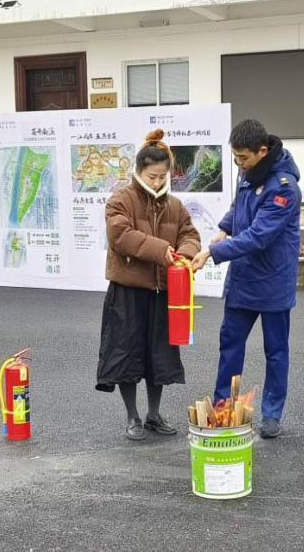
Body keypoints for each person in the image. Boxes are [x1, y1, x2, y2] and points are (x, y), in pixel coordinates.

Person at [191, 119, 301, 439]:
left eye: (244, 158)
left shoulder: (284, 188)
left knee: (276, 350)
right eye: (235, 158)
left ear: (262, 151)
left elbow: (258, 236)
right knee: (230, 344)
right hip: (243, 279)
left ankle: (272, 413)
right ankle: (224, 406)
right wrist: (224, 227)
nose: (238, 164)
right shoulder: (248, 172)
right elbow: (239, 207)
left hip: (273, 281)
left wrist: (213, 253)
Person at [96, 129, 201, 440]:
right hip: (127, 291)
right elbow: (120, 236)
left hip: (162, 292)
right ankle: (132, 417)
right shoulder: (121, 200)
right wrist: (162, 251)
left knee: (159, 357)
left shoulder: (175, 205)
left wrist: (184, 254)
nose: (157, 182)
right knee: (127, 354)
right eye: (152, 176)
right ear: (139, 171)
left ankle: (154, 414)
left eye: (162, 176)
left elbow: (190, 235)